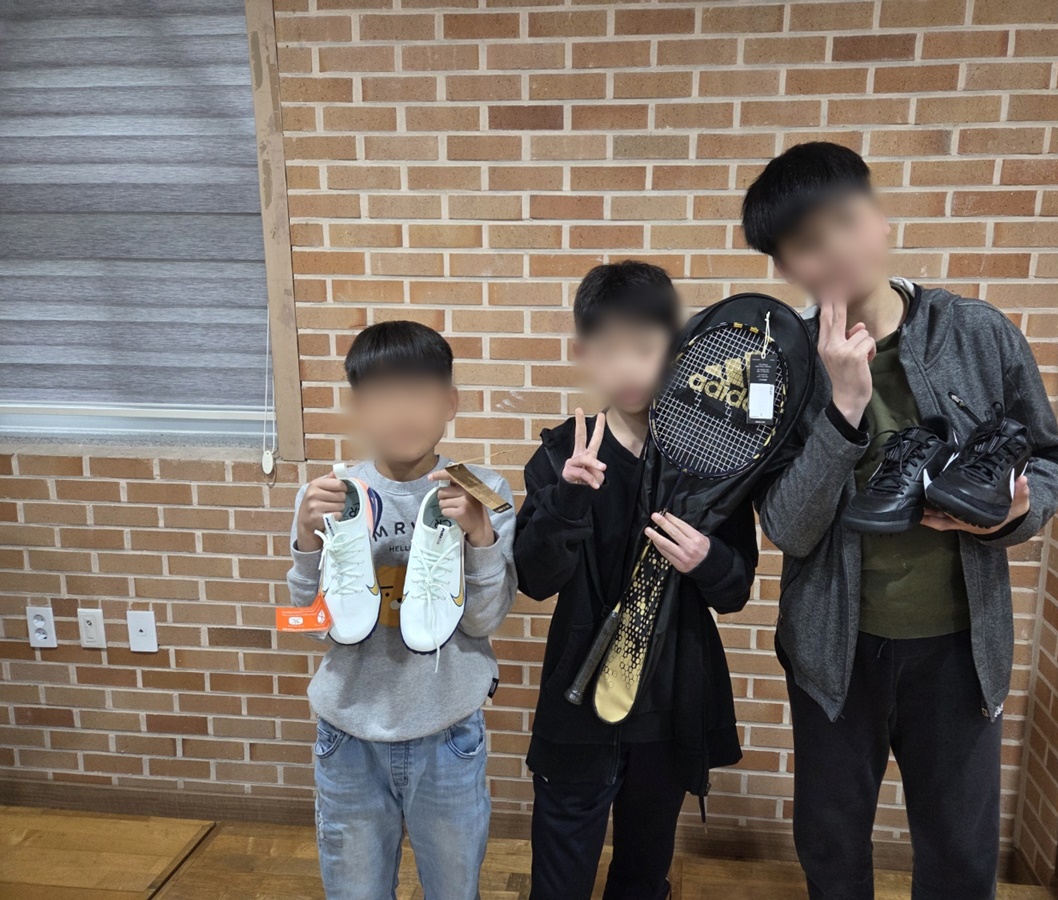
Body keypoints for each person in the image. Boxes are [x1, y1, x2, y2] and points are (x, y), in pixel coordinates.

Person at [743, 142, 1058, 900]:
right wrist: (844, 408)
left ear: (880, 221)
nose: (833, 249)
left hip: (960, 648)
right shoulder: (781, 363)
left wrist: (1017, 512)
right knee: (830, 845)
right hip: (834, 652)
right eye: (806, 241)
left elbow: (1047, 456)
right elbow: (787, 528)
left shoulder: (977, 332)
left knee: (959, 853)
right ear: (785, 265)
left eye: (845, 221)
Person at [514, 261, 759, 900]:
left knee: (643, 877)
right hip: (577, 705)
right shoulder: (561, 454)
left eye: (645, 349)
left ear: (675, 351)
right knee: (559, 880)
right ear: (584, 354)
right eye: (610, 351)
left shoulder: (710, 457)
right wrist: (566, 501)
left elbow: (735, 590)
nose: (628, 368)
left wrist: (705, 558)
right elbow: (535, 579)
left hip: (669, 705)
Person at [286, 320, 517, 900]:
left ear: (450, 403)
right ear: (358, 408)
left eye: (418, 392)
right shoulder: (329, 496)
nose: (403, 411)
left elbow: (484, 620)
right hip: (347, 734)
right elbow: (315, 629)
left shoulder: (484, 490)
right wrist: (307, 540)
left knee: (454, 891)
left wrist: (480, 536)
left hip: (448, 734)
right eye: (383, 395)